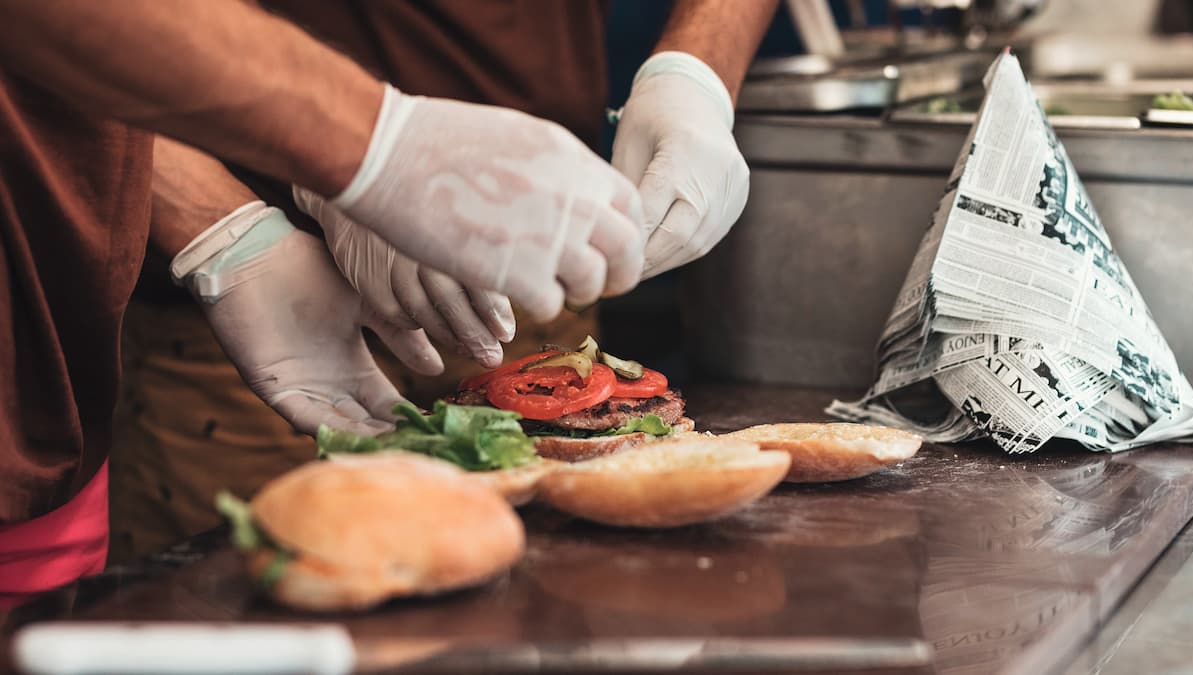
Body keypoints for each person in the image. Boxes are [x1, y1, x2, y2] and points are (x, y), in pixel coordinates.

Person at [0, 0, 775, 595]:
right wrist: (260, 209)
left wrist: (695, 73)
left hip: (536, 264)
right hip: (201, 325)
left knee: (548, 605)